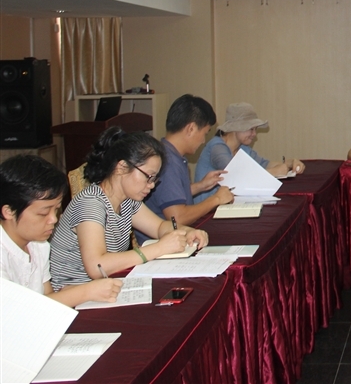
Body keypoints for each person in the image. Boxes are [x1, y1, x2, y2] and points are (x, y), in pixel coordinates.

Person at [50, 128, 209, 288]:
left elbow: (159, 226)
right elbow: (97, 266)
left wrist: (187, 232)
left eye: (154, 179)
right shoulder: (90, 203)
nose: (151, 185)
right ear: (122, 167)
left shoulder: (127, 200)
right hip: (73, 294)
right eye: (148, 177)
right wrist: (159, 248)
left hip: (103, 287)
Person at [1, 155, 123, 306]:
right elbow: (15, 311)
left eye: (56, 210)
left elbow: (48, 296)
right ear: (9, 212)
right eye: (43, 213)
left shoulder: (39, 246)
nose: (53, 219)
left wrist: (74, 292)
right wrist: (86, 292)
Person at [136, 94, 233, 244]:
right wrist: (216, 199)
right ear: (191, 128)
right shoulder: (167, 162)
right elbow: (177, 218)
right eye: (204, 134)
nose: (203, 141)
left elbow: (167, 196)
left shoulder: (168, 152)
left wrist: (200, 186)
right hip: (159, 243)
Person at [194, 102, 305, 203]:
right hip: (206, 212)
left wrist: (289, 163)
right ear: (236, 128)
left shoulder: (243, 148)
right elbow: (237, 177)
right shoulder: (217, 147)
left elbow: (264, 164)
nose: (254, 134)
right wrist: (273, 173)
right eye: (251, 129)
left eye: (255, 129)